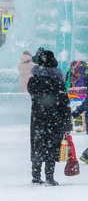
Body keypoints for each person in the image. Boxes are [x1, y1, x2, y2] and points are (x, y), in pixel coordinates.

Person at [27, 50, 72, 185]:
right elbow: (64, 103)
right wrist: (66, 121)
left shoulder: (33, 81)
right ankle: (49, 177)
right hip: (54, 120)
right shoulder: (57, 82)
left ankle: (35, 176)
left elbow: (32, 94)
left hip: (37, 119)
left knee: (37, 146)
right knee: (51, 147)